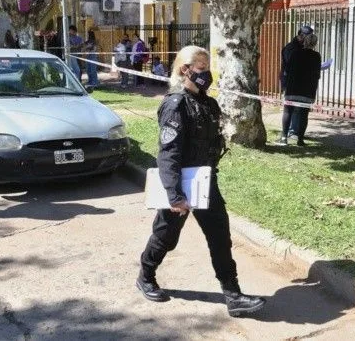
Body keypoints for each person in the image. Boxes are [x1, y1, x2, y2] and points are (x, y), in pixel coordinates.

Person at [136, 45, 265, 317]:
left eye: (207, 68)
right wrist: (174, 195)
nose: (207, 74)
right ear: (185, 69)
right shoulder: (175, 105)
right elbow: (168, 154)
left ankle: (233, 295)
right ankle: (146, 275)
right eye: (201, 68)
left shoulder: (208, 103)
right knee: (166, 236)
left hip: (205, 182)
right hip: (180, 183)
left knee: (220, 237)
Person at [279, 33, 321, 147]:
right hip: (307, 90)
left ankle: (284, 138)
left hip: (293, 88)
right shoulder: (316, 56)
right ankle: (300, 140)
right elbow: (317, 74)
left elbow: (287, 69)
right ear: (315, 44)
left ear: (304, 41)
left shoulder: (295, 53)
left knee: (287, 111)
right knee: (303, 114)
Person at [280, 25, 313, 92]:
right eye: (310, 37)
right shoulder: (290, 48)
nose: (310, 40)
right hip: (291, 83)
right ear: (302, 36)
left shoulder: (302, 47)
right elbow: (292, 64)